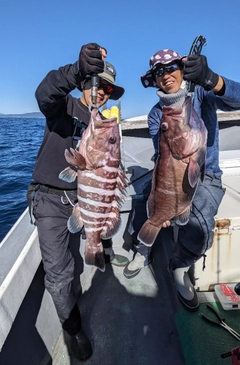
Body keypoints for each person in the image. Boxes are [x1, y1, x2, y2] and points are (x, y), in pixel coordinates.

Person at [27, 43, 129, 362]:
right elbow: (45, 93)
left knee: (81, 259)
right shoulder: (64, 105)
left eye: (107, 89)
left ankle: (99, 255)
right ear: (84, 84)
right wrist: (77, 70)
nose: (100, 92)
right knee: (59, 274)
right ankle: (73, 328)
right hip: (49, 200)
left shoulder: (102, 124)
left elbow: (110, 170)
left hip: (81, 199)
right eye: (95, 84)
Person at [123, 48, 240, 312]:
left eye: (171, 68)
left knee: (200, 222)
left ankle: (179, 266)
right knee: (144, 198)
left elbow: (238, 99)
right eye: (158, 72)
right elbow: (163, 153)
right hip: (173, 170)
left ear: (182, 69)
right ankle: (142, 249)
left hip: (206, 174)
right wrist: (164, 199)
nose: (165, 76)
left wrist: (212, 79)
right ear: (154, 79)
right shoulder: (157, 114)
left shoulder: (201, 93)